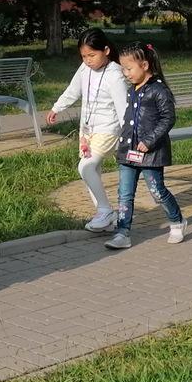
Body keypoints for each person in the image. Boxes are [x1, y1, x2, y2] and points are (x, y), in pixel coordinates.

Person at [47, 28, 129, 233]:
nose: (88, 60)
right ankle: (105, 216)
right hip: (87, 130)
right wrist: (57, 107)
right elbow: (73, 90)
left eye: (92, 55)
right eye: (84, 56)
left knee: (85, 167)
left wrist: (129, 135)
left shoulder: (115, 74)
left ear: (106, 50)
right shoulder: (85, 69)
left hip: (108, 129)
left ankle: (105, 210)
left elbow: (123, 109)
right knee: (92, 172)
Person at [105, 43, 185, 251]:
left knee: (157, 191)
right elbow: (128, 120)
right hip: (128, 152)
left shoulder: (159, 90)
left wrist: (150, 141)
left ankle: (177, 221)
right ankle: (122, 232)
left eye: (129, 68)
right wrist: (122, 144)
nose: (126, 73)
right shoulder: (132, 90)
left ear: (145, 65)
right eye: (123, 69)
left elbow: (168, 118)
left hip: (152, 154)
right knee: (124, 194)